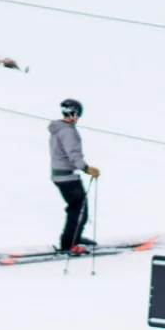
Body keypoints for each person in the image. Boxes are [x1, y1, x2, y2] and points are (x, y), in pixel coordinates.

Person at [49, 98, 100, 253]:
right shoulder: (68, 131)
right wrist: (87, 168)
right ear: (75, 114)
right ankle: (69, 244)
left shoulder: (60, 128)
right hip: (67, 177)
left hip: (60, 174)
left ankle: (74, 238)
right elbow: (73, 155)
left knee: (77, 208)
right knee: (79, 210)